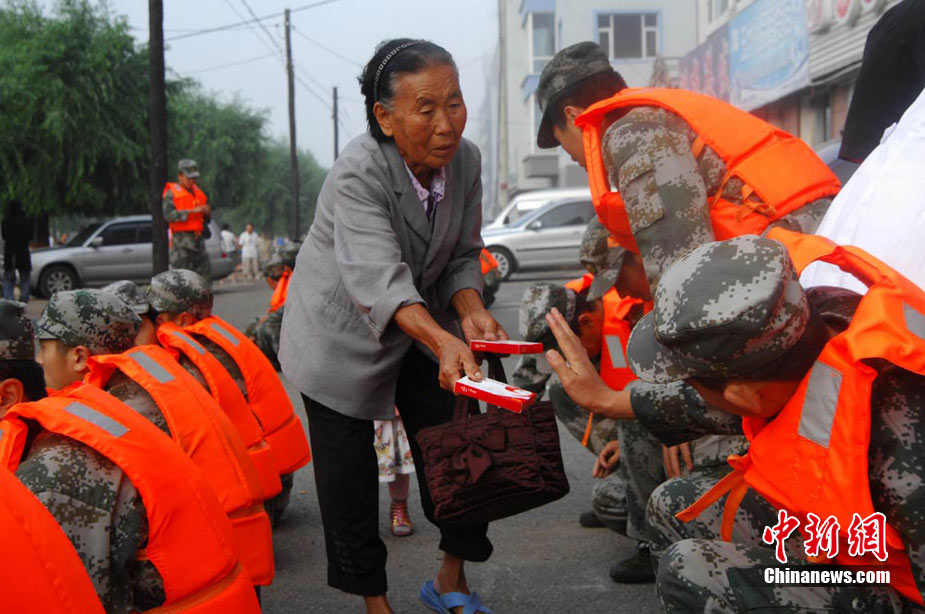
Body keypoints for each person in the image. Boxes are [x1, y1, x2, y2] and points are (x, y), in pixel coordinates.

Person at [549, 233, 925, 611]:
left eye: (691, 381)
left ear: (745, 399)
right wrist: (608, 400)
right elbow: (710, 402)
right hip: (857, 545)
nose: (690, 390)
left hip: (892, 584)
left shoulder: (904, 453)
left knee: (692, 571)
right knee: (673, 503)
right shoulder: (816, 320)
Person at [279, 38, 505, 614]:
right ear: (384, 117)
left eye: (454, 103)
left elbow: (462, 254)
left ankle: (450, 579)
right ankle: (375, 604)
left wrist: (470, 309)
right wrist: (444, 338)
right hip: (339, 336)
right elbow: (379, 280)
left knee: (461, 445)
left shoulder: (467, 161)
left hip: (422, 328)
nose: (446, 124)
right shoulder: (358, 171)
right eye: (426, 109)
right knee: (348, 477)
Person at [18, 292, 260, 612]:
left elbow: (85, 590)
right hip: (236, 571)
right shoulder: (148, 384)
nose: (39, 360)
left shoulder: (103, 428)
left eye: (44, 347)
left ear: (78, 357)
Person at [147, 269, 309, 525]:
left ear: (183, 320)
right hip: (270, 487)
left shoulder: (197, 363)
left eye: (157, 317)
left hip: (256, 506)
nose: (153, 324)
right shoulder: (216, 338)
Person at [246, 240, 300, 369]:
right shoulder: (290, 277)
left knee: (267, 327)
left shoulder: (299, 279)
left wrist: (270, 317)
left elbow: (289, 307)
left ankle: (282, 362)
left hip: (294, 321)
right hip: (286, 317)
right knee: (255, 325)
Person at [163, 158, 212, 281]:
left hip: (198, 241)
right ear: (180, 176)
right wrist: (191, 211)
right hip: (182, 244)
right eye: (189, 178)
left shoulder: (198, 192)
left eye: (194, 178)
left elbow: (205, 219)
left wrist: (206, 212)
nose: (192, 181)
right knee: (182, 280)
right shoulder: (171, 193)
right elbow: (168, 215)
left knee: (204, 279)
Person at [2, 199, 32, 301]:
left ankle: (9, 300)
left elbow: (4, 236)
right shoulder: (27, 221)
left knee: (8, 278)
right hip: (23, 252)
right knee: (25, 278)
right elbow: (30, 236)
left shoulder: (5, 222)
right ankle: (23, 299)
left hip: (10, 253)